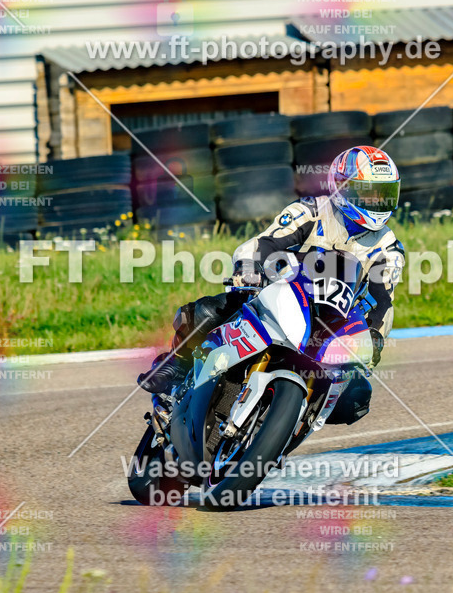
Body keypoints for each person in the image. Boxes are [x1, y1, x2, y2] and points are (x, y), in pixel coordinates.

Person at [137, 145, 406, 425]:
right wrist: (250, 268)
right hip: (280, 295)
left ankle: (286, 428)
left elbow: (382, 300)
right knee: (209, 311)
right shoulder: (311, 210)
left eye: (384, 194)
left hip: (330, 322)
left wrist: (374, 337)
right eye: (368, 192)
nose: (377, 202)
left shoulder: (389, 248)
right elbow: (266, 242)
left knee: (357, 395)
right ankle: (175, 367)